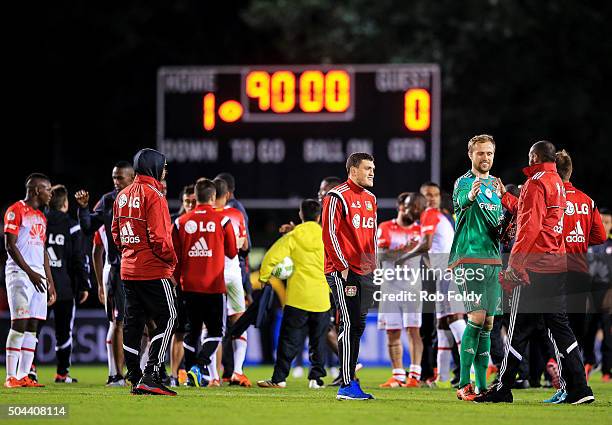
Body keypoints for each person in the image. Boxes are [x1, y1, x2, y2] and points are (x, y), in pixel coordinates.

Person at [477, 140, 594, 404]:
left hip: (534, 269)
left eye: (530, 155)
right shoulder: (557, 184)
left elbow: (529, 227)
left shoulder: (535, 182)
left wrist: (514, 267)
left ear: (535, 156)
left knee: (517, 330)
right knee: (561, 329)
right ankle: (580, 388)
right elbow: (531, 213)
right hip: (556, 265)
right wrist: (505, 197)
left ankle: (503, 388)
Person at [111, 148, 177, 396]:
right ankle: (151, 374)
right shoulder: (155, 195)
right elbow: (160, 238)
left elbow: (116, 234)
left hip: (128, 270)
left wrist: (129, 253)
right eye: (163, 165)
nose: (165, 170)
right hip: (153, 269)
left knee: (133, 323)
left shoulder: (123, 195)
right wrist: (171, 262)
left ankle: (135, 376)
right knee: (169, 317)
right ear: (153, 167)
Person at [446, 135, 503, 400]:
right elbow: (460, 203)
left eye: (489, 153)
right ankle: (463, 384)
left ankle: (481, 387)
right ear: (471, 155)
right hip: (468, 256)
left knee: (489, 323)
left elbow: (501, 223)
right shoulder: (464, 182)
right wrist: (471, 194)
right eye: (480, 153)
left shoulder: (496, 185)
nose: (486, 158)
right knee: (477, 318)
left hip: (493, 258)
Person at [257, 199, 330, 389]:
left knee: (288, 340)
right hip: (321, 298)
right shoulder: (328, 236)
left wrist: (264, 277)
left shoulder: (293, 236)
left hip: (298, 297)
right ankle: (316, 379)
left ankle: (279, 379)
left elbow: (270, 258)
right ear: (320, 216)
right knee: (319, 340)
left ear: (300, 215)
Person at [322, 152, 377, 400]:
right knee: (348, 322)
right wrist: (342, 266)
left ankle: (349, 380)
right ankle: (346, 384)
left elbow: (372, 236)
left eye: (372, 168)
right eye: (367, 168)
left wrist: (372, 266)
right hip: (343, 271)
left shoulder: (371, 198)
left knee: (359, 324)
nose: (372, 172)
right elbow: (329, 233)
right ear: (353, 170)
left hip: (364, 271)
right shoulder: (336, 196)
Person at [398, 182, 465, 386]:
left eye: (409, 206)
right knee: (443, 324)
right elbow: (432, 250)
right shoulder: (437, 217)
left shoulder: (429, 214)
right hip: (443, 273)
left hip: (448, 273)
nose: (407, 210)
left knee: (454, 319)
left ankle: (471, 371)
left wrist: (403, 257)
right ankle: (442, 377)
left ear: (417, 206)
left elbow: (426, 246)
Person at [173, 178, 237, 388]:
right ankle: (198, 367)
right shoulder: (223, 221)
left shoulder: (181, 222)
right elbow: (232, 251)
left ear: (196, 197)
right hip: (213, 286)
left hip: (187, 286)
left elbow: (174, 257)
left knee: (192, 332)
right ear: (212, 197)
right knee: (216, 332)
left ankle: (193, 378)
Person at [553, 149, 606, 400]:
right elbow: (600, 237)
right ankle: (573, 386)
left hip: (557, 272)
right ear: (571, 171)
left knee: (557, 331)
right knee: (574, 331)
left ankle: (569, 387)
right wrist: (580, 239)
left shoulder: (553, 197)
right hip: (581, 272)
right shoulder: (587, 200)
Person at [75, 160, 134, 385]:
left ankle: (144, 371)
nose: (116, 182)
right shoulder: (108, 201)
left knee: (148, 322)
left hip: (142, 269)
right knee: (118, 321)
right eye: (114, 177)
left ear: (132, 178)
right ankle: (115, 374)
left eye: (120, 177)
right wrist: (83, 209)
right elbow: (89, 227)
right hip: (118, 270)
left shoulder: (143, 199)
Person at [4, 173, 56, 388]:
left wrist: (49, 280)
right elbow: (10, 245)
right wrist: (30, 273)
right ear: (37, 190)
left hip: (38, 276)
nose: (50, 194)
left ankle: (24, 375)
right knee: (20, 322)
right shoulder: (15, 210)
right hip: (19, 274)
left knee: (33, 325)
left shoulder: (41, 216)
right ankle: (10, 376)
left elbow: (42, 249)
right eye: (48, 190)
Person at [377, 192, 425, 388]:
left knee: (413, 330)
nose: (410, 210)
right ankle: (397, 376)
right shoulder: (385, 227)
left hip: (413, 287)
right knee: (392, 332)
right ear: (399, 207)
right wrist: (406, 249)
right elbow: (380, 255)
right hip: (390, 287)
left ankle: (414, 375)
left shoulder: (421, 231)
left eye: (414, 207)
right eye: (407, 206)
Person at [46, 185, 90, 383]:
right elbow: (78, 259)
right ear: (65, 203)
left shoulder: (40, 221)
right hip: (64, 288)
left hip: (40, 286)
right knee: (64, 332)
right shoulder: (72, 226)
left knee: (32, 329)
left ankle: (28, 370)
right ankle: (62, 373)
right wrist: (84, 285)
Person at [213, 178, 251, 386]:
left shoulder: (206, 217)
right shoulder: (236, 215)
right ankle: (237, 371)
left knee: (210, 326)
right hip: (233, 275)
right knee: (239, 321)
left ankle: (213, 376)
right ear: (227, 194)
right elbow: (243, 246)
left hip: (211, 276)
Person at [168, 184, 196, 387]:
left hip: (201, 285)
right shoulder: (176, 223)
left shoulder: (206, 223)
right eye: (187, 201)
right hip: (180, 285)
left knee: (202, 332)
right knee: (178, 332)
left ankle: (204, 374)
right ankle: (173, 374)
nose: (190, 205)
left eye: (193, 201)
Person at [587, 207, 612, 382]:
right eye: (601, 221)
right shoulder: (588, 243)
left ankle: (607, 371)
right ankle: (589, 363)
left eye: (607, 222)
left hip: (609, 296)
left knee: (608, 334)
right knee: (588, 331)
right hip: (589, 295)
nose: (604, 224)